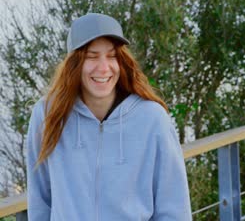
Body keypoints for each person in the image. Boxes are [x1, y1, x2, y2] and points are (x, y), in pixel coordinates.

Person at [26, 13, 192, 220]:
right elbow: (39, 201)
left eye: (112, 56)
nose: (104, 68)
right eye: (92, 56)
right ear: (74, 63)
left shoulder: (153, 119)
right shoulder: (47, 115)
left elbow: (174, 207)